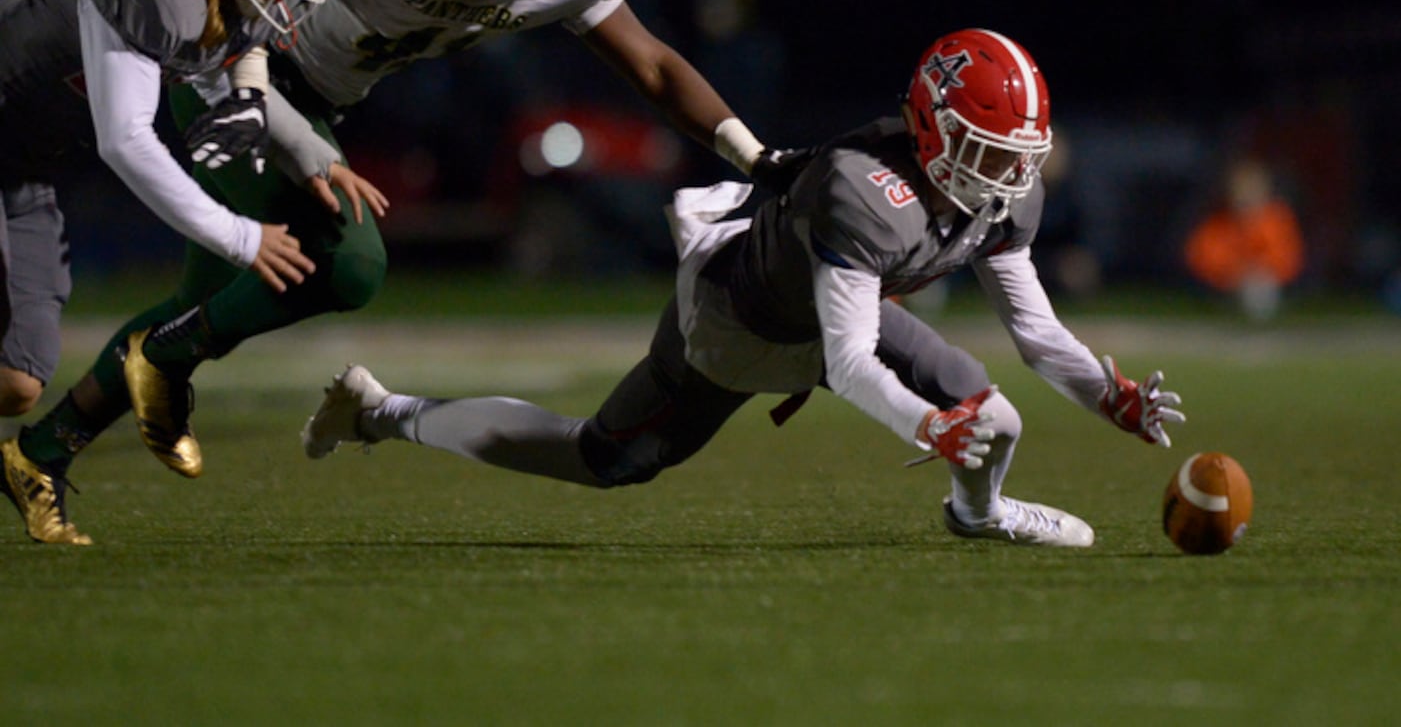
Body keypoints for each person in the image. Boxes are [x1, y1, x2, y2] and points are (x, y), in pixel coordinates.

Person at [1, 0, 803, 545]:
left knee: (204, 300)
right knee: (347, 264)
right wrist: (251, 96)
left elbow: (654, 68)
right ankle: (162, 360)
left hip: (318, 103)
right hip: (244, 87)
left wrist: (756, 156)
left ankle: (43, 450)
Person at [302, 28, 1186, 548]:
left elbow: (1032, 329)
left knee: (995, 417)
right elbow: (842, 362)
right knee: (603, 458)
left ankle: (976, 516)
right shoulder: (861, 191)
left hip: (839, 312)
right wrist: (925, 423)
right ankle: (382, 411)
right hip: (736, 324)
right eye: (985, 154)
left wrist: (1106, 395)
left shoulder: (993, 197)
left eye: (1013, 161)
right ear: (928, 129)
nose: (999, 179)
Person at [0, 0, 394, 545]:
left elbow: (236, 73)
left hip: (22, 169)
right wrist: (243, 237)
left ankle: (35, 455)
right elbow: (125, 140)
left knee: (18, 382)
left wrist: (313, 155)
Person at [1184, 156, 1305, 321]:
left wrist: (1259, 268)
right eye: (1240, 190)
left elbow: (1288, 259)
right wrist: (1232, 271)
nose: (1245, 197)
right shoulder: (1219, 221)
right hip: (1224, 286)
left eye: (1251, 189)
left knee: (1258, 288)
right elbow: (1200, 256)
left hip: (1266, 283)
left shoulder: (1277, 220)